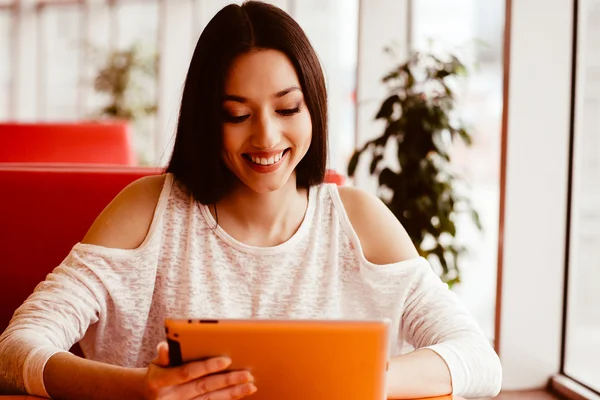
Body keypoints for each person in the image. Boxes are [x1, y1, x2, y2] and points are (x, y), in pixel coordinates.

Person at [0, 2, 502, 399]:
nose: (266, 137)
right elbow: (14, 350)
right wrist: (138, 389)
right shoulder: (148, 213)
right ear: (206, 120)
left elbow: (478, 360)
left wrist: (350, 381)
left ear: (314, 109)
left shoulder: (359, 223)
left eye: (287, 108)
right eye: (237, 115)